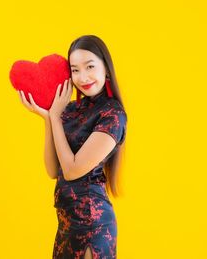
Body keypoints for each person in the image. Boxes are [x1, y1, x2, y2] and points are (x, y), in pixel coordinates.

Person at [17, 35, 127, 259]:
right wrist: (48, 118)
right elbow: (52, 169)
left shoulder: (113, 115)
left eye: (89, 66)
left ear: (106, 68)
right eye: (75, 70)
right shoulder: (70, 108)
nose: (82, 76)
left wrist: (56, 118)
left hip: (91, 225)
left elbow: (72, 169)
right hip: (66, 223)